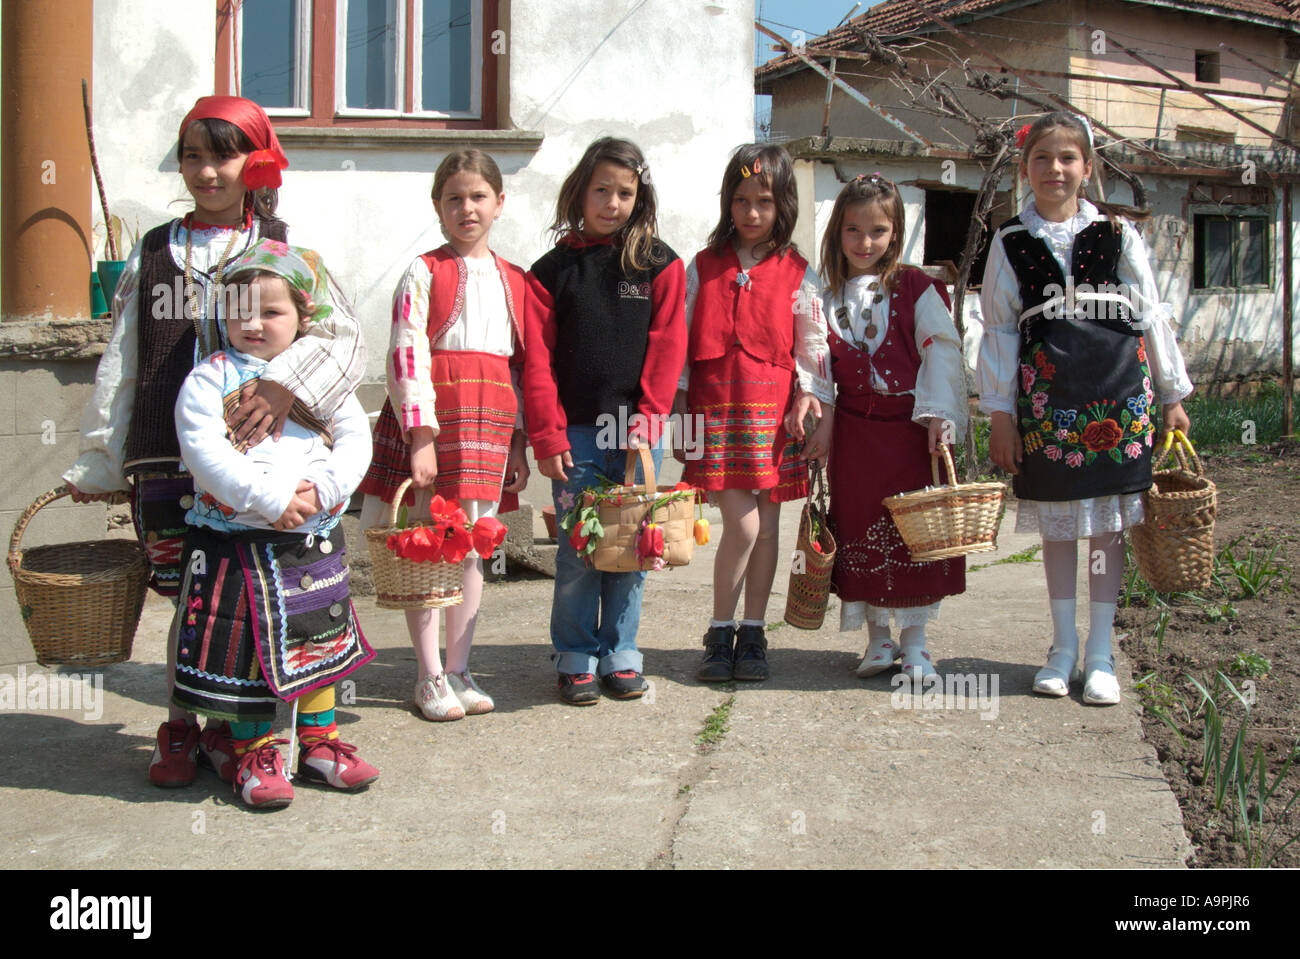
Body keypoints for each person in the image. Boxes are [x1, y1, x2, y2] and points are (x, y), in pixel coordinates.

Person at [62, 95, 365, 786]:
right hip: (172, 461)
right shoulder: (155, 251)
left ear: (254, 161)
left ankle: (240, 737)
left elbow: (344, 341)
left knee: (254, 599)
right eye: (192, 155)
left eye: (222, 154)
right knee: (196, 601)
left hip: (269, 461)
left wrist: (286, 384)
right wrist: (102, 455)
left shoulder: (287, 253)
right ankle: (182, 728)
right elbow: (123, 355)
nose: (205, 171)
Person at [978, 112, 1193, 705]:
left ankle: (1100, 652)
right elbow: (997, 330)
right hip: (1048, 405)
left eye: (1067, 158)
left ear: (1087, 168)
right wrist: (999, 413)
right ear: (1025, 170)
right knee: (1060, 524)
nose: (1055, 169)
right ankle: (1062, 647)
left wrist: (1172, 394)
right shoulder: (1010, 242)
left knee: (1108, 526)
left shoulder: (1119, 236)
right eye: (1042, 158)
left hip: (1119, 397)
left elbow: (1150, 313)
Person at [170, 241, 376, 808]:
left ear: (305, 316)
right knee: (247, 654)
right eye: (239, 312)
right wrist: (267, 498)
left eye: (272, 311)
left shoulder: (318, 380)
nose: (253, 324)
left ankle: (319, 743)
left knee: (318, 639)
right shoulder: (210, 379)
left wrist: (329, 488)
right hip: (241, 540)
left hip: (310, 539)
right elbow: (203, 452)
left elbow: (357, 438)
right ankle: (254, 753)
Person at [358, 149, 528, 721]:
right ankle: (429, 675)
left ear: (499, 203)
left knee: (474, 546)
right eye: (454, 198)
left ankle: (460, 668)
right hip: (439, 418)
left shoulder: (514, 280)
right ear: (437, 206)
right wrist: (419, 434)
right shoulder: (424, 271)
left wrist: (520, 445)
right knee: (428, 546)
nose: (466, 208)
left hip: (489, 422)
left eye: (478, 196)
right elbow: (406, 350)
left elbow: (522, 368)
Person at [524, 137, 686, 705]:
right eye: (601, 189)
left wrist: (649, 419)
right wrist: (545, 433)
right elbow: (537, 361)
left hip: (637, 438)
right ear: (579, 191)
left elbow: (668, 348)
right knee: (578, 551)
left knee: (633, 546)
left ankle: (621, 652)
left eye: (625, 192)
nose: (612, 202)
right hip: (574, 436)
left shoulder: (659, 266)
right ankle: (574, 655)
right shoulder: (550, 272)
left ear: (639, 198)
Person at [679, 143, 834, 683]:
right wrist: (678, 405)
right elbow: (680, 338)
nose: (750, 212)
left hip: (773, 415)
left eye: (763, 201)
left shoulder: (798, 272)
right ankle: (718, 629)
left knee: (768, 528)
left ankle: (752, 633)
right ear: (728, 202)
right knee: (742, 527)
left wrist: (812, 394)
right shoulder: (702, 267)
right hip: (717, 412)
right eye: (741, 200)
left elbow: (813, 342)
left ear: (782, 204)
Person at [819, 174, 968, 680]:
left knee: (915, 533)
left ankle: (917, 644)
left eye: (877, 231)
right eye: (853, 231)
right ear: (837, 233)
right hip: (856, 435)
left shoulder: (918, 288)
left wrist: (937, 416)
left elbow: (941, 350)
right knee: (860, 529)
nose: (865, 243)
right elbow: (815, 361)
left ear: (896, 234)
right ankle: (878, 641)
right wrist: (818, 418)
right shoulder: (824, 293)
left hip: (908, 432)